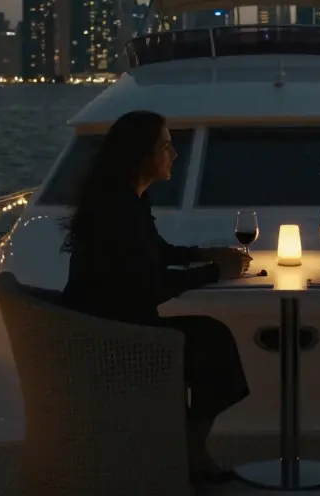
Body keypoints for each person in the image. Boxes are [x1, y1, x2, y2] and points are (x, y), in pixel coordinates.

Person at [59, 110, 253, 486]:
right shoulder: (118, 210)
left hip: (108, 323)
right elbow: (149, 285)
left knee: (210, 339)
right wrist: (216, 272)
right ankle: (189, 451)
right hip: (112, 337)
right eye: (166, 146)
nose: (174, 154)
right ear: (141, 154)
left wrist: (204, 254)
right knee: (215, 345)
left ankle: (185, 449)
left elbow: (156, 252)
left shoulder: (124, 200)